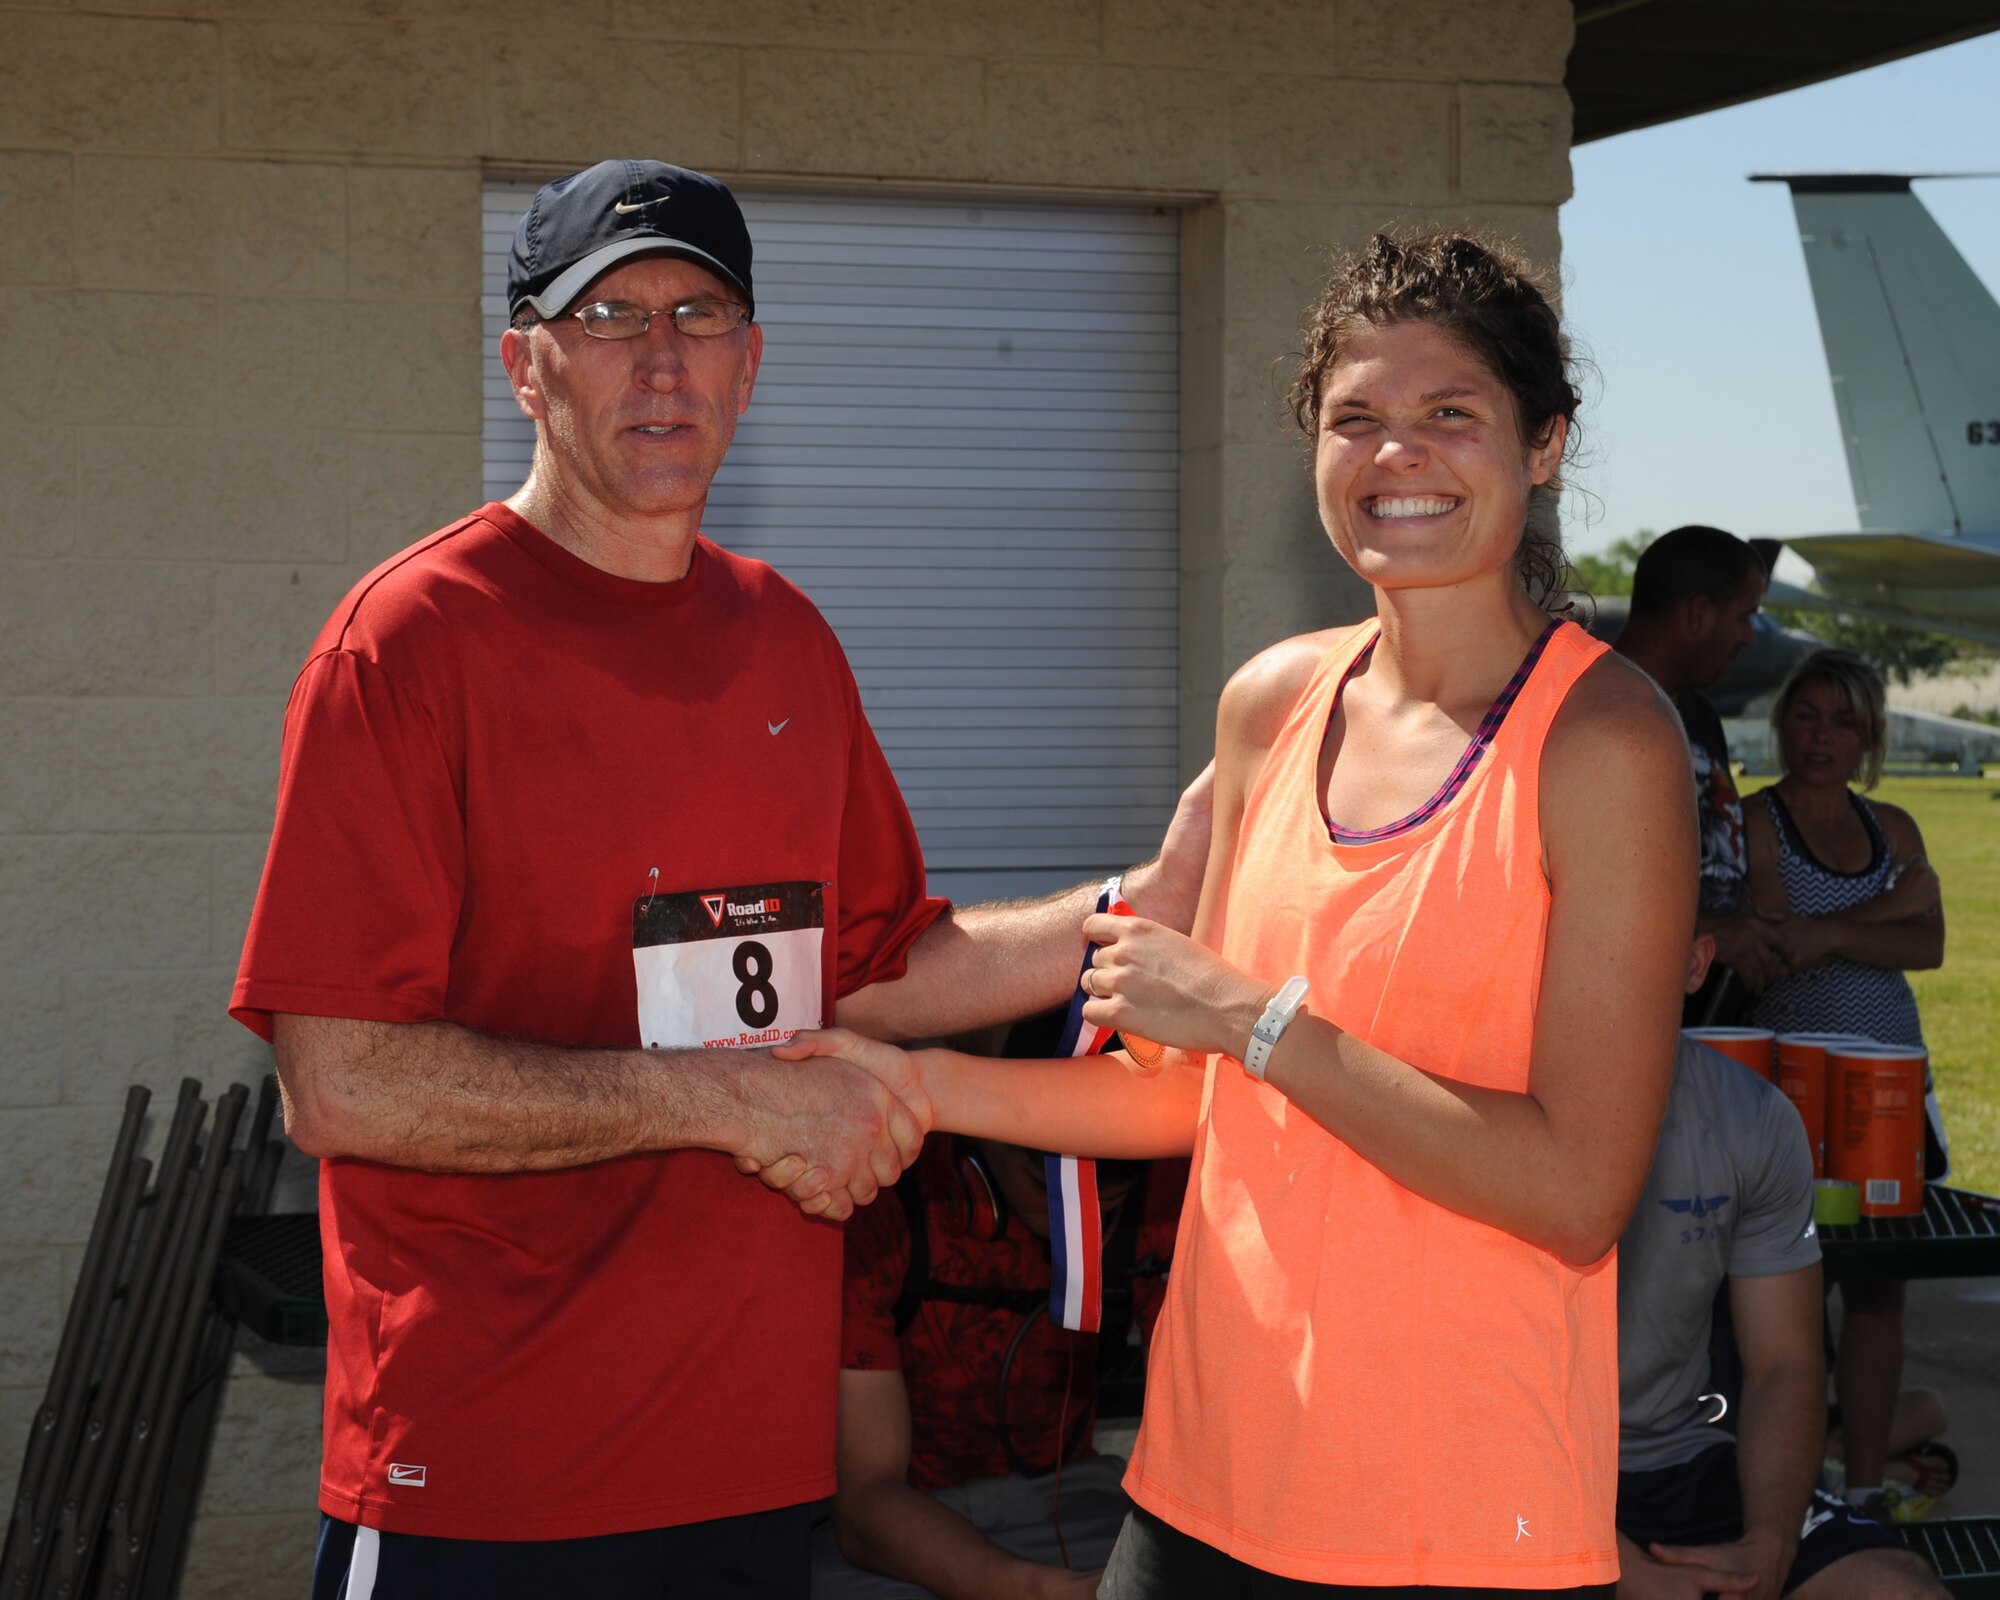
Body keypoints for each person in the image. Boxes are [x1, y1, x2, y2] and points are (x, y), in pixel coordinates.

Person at [229, 158, 1204, 1599]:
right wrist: (732, 1101)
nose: (662, 357)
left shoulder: (785, 637)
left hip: (752, 1475)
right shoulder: (409, 643)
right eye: (610, 316)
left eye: (699, 313)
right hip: (488, 1477)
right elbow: (344, 1084)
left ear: (753, 366)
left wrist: (1137, 902)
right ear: (526, 367)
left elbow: (872, 971)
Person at [786, 231, 1698, 1594]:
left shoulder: (1606, 745)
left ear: (1545, 444)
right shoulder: (1272, 706)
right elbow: (1183, 1098)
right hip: (1199, 1488)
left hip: (1452, 1524)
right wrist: (906, 1080)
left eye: (1451, 414)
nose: (1399, 456)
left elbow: (1573, 1192)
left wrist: (1258, 1023)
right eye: (1357, 420)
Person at [1614, 935, 1946, 1600]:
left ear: (1696, 963)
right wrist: (1621, 1574)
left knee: (1896, 1589)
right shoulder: (1489, 1110)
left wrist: (1770, 1542)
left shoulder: (1751, 1119)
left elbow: (1784, 1364)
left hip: (1687, 1460)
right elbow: (1461, 1397)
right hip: (1511, 1475)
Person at [1744, 650, 1948, 1524]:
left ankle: (1863, 1492)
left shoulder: (1893, 827)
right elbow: (1775, 945)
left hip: (1893, 1090)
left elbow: (1928, 946)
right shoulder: (1758, 824)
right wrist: (1874, 917)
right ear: (1783, 720)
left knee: (1878, 1294)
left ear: (1869, 741)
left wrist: (1826, 933)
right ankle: (1785, 1501)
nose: (1821, 738)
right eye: (1806, 716)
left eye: (1843, 724)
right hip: (1793, 1098)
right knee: (1789, 1292)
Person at [819, 1115, 1186, 1600]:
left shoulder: (1162, 1197)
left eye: (1104, 1205)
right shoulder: (889, 1191)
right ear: (987, 1139)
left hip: (1080, 1502)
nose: (1070, 1221)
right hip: (905, 1528)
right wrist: (1040, 1590)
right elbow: (865, 1502)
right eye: (1044, 1187)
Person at [1613, 524, 1782, 1014]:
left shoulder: (1699, 717)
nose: (1750, 638)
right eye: (1745, 616)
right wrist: (1707, 932)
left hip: (1717, 1016)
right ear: (1698, 614)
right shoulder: (1591, 712)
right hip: (1638, 1023)